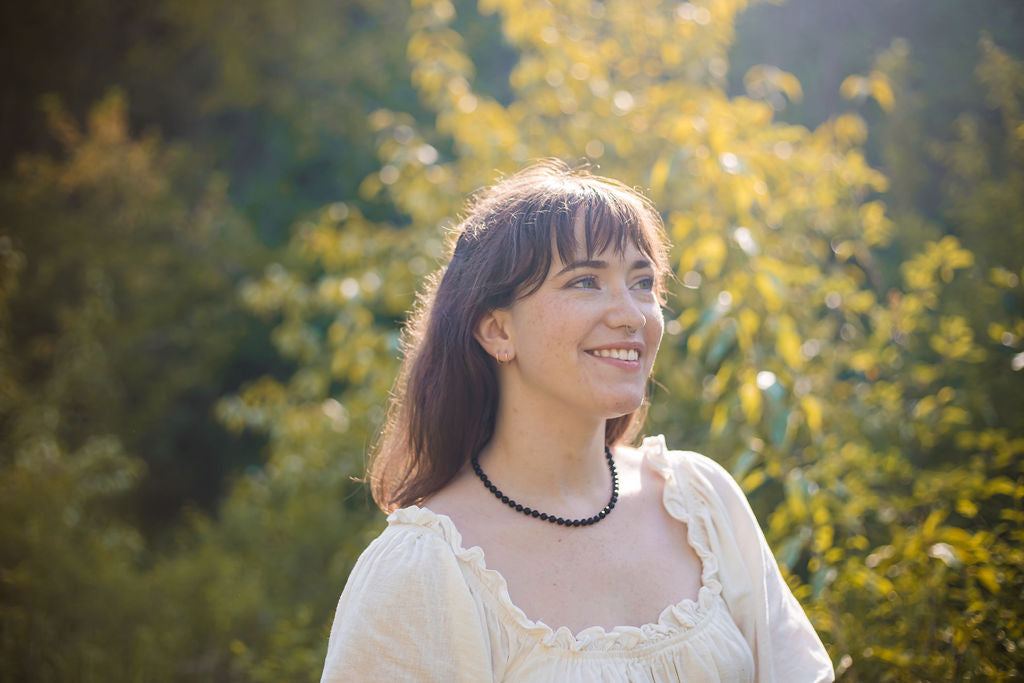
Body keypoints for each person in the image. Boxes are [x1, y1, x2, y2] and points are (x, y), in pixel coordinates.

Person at [320, 160, 834, 682]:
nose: (632, 314)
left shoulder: (702, 503)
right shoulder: (423, 571)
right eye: (586, 281)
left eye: (643, 282)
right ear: (498, 331)